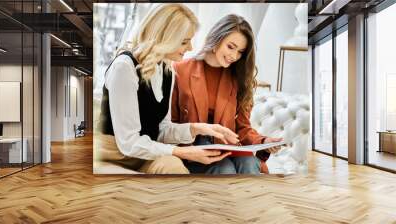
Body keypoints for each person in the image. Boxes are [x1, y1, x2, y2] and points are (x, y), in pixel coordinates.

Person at [97, 4, 239, 174]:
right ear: (164, 38)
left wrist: (199, 128)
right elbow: (129, 142)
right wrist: (182, 152)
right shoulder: (124, 67)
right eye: (184, 42)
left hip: (144, 154)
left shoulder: (167, 70)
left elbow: (162, 130)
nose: (191, 48)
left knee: (174, 168)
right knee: (174, 162)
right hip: (114, 153)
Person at [172, 14, 282, 175]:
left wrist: (264, 141)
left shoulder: (238, 78)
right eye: (231, 47)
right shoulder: (180, 70)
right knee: (225, 169)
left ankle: (254, 200)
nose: (234, 56)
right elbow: (170, 123)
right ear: (216, 39)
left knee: (250, 162)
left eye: (240, 52)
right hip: (193, 149)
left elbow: (243, 128)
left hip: (228, 148)